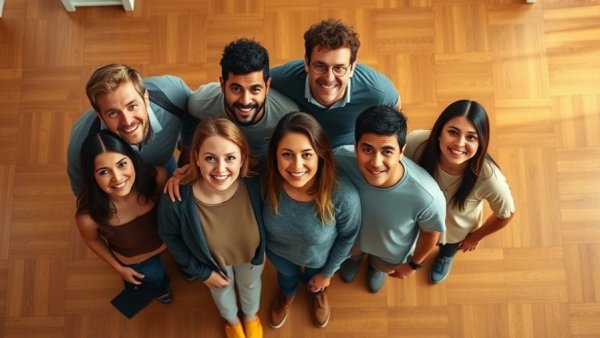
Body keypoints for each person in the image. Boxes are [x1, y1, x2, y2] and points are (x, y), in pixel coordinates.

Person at [158, 118, 265, 338]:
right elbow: (169, 236)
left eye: (230, 158)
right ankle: (232, 321)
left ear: (242, 157)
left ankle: (250, 316)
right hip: (213, 265)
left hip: (251, 259)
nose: (220, 169)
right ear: (196, 157)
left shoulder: (256, 183)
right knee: (221, 292)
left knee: (251, 286)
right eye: (210, 158)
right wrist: (202, 272)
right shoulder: (176, 199)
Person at [263, 112, 360, 329]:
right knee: (286, 278)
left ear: (320, 155)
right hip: (279, 255)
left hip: (320, 259)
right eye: (287, 154)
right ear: (275, 155)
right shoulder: (265, 180)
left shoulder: (344, 196)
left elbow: (347, 238)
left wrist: (327, 274)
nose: (296, 166)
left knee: (316, 283)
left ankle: (317, 293)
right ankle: (287, 295)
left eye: (307, 154)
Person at [335, 105, 446, 293]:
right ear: (355, 147)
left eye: (387, 151)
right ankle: (354, 260)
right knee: (351, 255)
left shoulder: (428, 196)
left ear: (402, 151)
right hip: (352, 241)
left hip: (390, 252)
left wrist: (413, 265)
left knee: (382, 265)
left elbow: (431, 233)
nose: (376, 162)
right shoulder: (339, 159)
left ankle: (376, 268)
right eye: (367, 149)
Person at [404, 100, 515, 284]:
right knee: (413, 244)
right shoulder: (416, 142)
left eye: (471, 137)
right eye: (453, 132)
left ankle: (445, 257)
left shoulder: (490, 178)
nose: (459, 144)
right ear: (439, 132)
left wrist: (475, 237)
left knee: (448, 249)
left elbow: (507, 213)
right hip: (415, 222)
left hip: (455, 234)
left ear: (481, 142)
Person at [74, 130, 171, 318]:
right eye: (104, 172)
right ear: (91, 176)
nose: (117, 178)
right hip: (138, 262)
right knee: (156, 279)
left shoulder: (157, 177)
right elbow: (93, 240)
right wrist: (118, 268)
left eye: (121, 164)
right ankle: (160, 288)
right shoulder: (89, 217)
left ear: (132, 159)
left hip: (171, 242)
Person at [270, 18, 401, 149]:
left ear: (352, 68)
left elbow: (396, 109)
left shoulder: (378, 90)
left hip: (349, 151)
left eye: (339, 68)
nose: (329, 78)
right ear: (306, 63)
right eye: (320, 66)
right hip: (302, 150)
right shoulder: (283, 78)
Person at [67, 63, 192, 196]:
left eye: (132, 106)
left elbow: (193, 118)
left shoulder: (173, 94)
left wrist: (188, 146)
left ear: (145, 98)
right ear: (100, 116)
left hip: (166, 167)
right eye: (113, 113)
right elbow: (83, 192)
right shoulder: (81, 144)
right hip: (119, 190)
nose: (127, 122)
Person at [188, 38, 299, 162]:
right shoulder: (199, 103)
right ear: (222, 85)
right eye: (236, 89)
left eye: (255, 89)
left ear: (267, 86)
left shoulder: (287, 116)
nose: (245, 101)